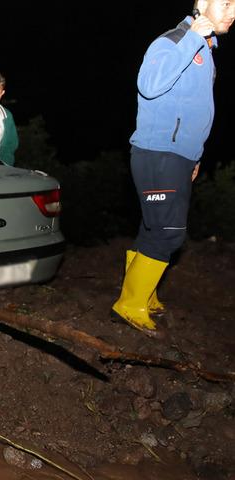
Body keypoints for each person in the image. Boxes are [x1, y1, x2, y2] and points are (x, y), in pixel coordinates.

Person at [113, 0, 234, 333]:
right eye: (226, 3)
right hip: (158, 152)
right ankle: (129, 304)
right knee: (168, 232)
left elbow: (192, 109)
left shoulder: (205, 52)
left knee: (153, 229)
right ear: (203, 3)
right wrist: (194, 38)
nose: (232, 12)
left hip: (179, 157)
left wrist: (194, 156)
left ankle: (144, 294)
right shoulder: (173, 40)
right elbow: (149, 85)